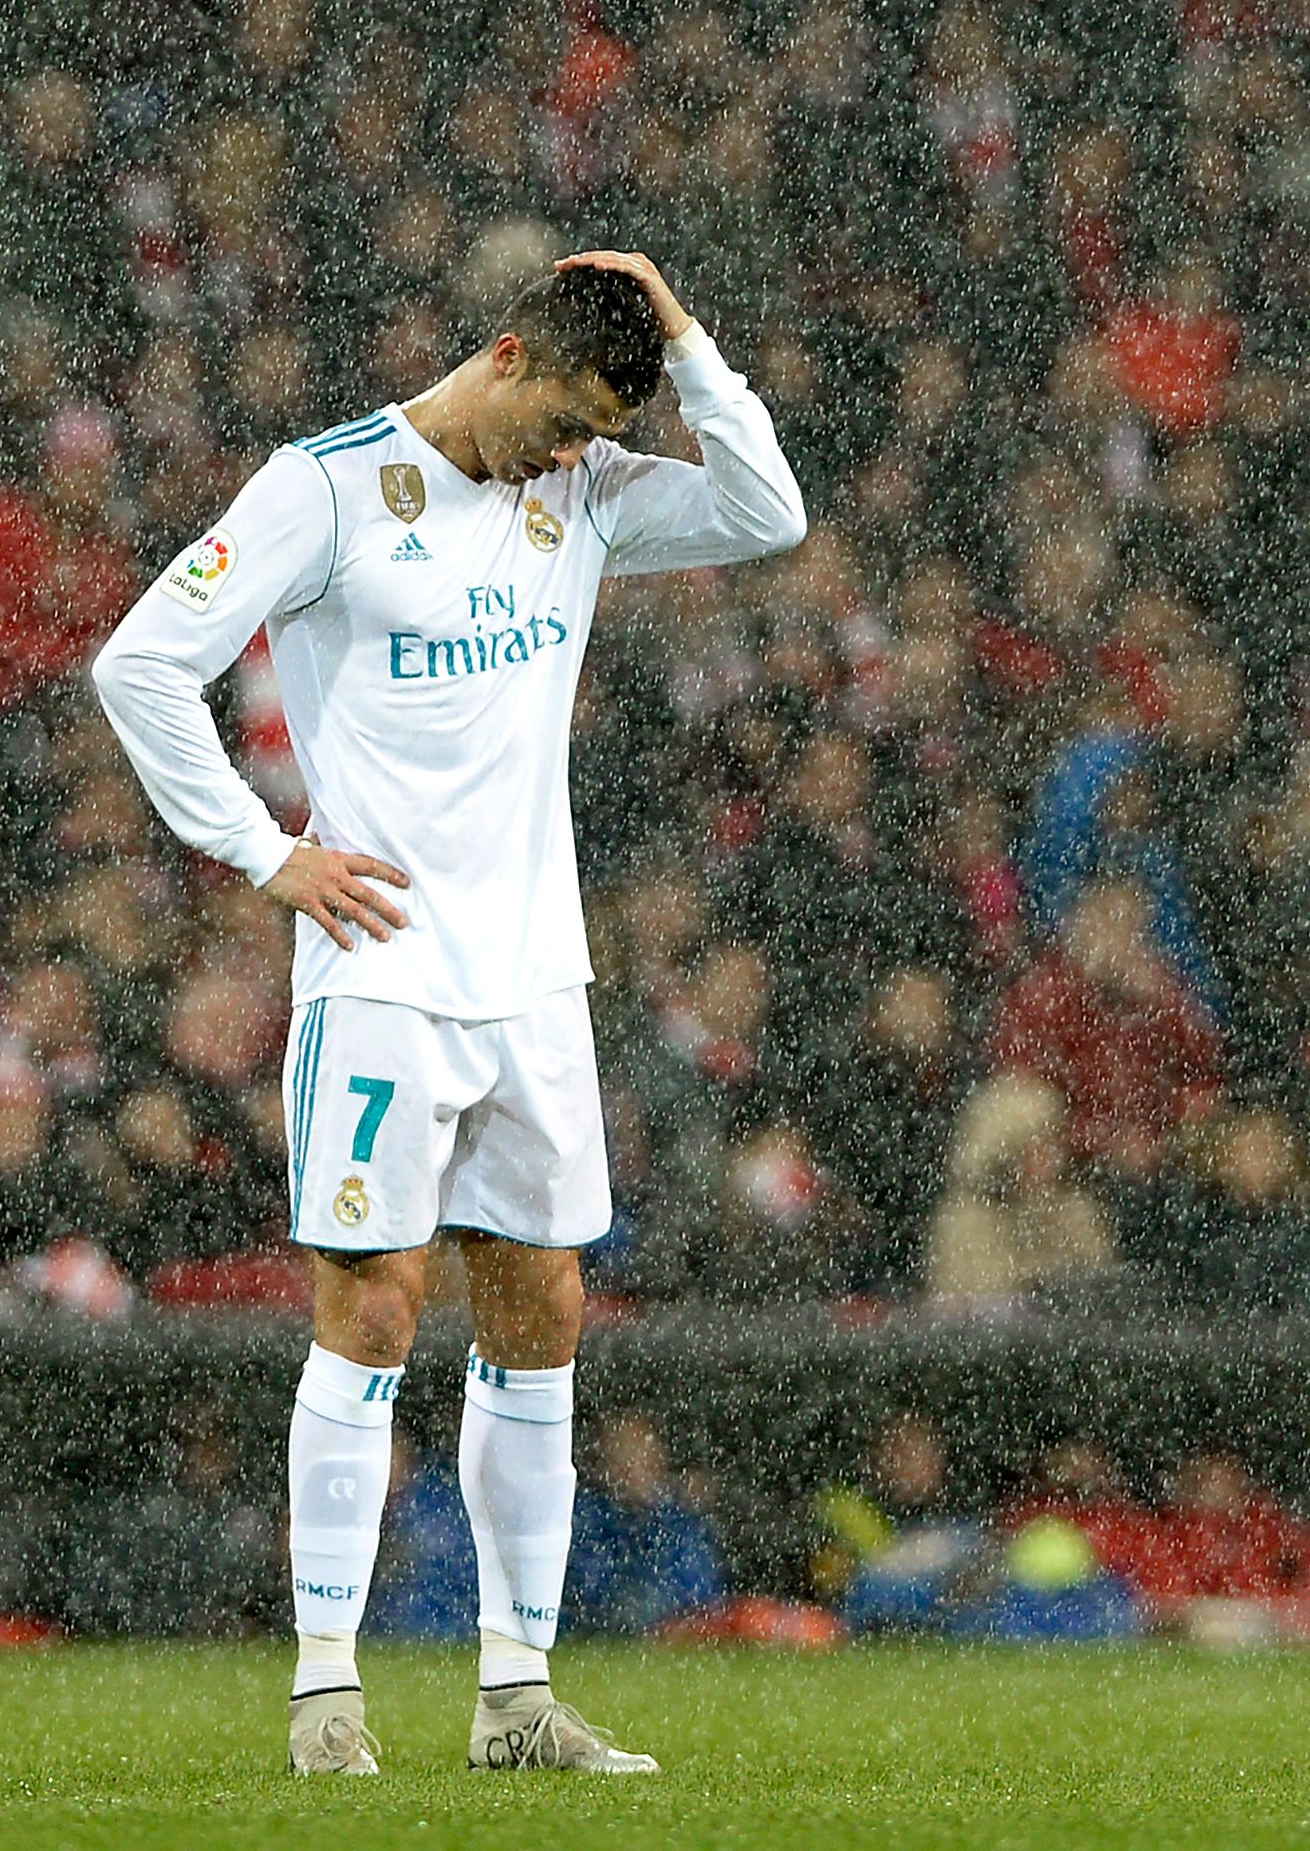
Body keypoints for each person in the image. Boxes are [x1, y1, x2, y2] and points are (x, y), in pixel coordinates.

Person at [90, 252, 804, 1778]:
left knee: (542, 1317)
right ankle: (327, 1697)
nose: (569, 459)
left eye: (590, 438)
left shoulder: (590, 492)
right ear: (504, 354)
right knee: (371, 1310)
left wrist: (682, 329)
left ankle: (516, 1697)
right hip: (383, 979)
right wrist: (268, 854)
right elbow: (142, 661)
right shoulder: (327, 488)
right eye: (557, 424)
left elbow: (767, 511)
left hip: (537, 979)